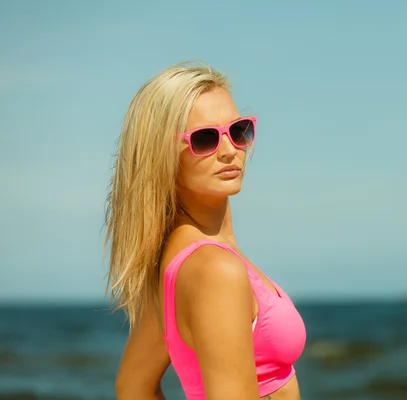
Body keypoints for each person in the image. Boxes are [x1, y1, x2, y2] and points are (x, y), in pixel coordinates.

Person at [103, 61, 306, 400]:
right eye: (205, 139)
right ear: (161, 155)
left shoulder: (177, 264)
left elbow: (133, 386)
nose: (230, 150)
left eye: (238, 131)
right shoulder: (214, 271)